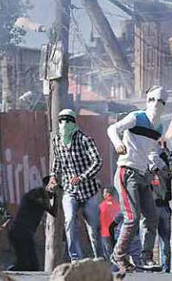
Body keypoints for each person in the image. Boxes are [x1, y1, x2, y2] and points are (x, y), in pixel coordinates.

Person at [107, 85, 168, 272]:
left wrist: (160, 166)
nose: (155, 104)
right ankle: (118, 255)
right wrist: (118, 143)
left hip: (142, 175)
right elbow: (112, 128)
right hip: (127, 172)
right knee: (132, 217)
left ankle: (145, 257)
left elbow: (150, 151)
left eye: (160, 101)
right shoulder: (136, 117)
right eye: (152, 100)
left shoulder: (159, 127)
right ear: (147, 100)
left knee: (151, 217)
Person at [49, 108, 104, 262]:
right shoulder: (56, 140)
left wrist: (82, 176)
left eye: (67, 120)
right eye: (61, 121)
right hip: (69, 190)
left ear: (74, 123)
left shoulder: (84, 139)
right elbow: (57, 161)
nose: (64, 124)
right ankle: (75, 258)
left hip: (89, 192)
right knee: (70, 220)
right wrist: (53, 176)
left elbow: (97, 161)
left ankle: (99, 258)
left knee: (93, 229)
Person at [8, 176, 58, 271]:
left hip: (27, 234)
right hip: (18, 231)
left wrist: (55, 196)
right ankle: (9, 273)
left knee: (34, 266)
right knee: (23, 264)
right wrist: (50, 194)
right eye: (52, 185)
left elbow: (54, 212)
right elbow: (37, 200)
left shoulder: (43, 198)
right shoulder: (36, 193)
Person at [149, 140, 172, 273]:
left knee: (165, 240)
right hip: (149, 207)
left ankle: (166, 268)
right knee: (148, 239)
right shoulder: (143, 162)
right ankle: (149, 266)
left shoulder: (164, 163)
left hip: (163, 205)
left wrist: (166, 151)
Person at [99, 187, 121, 260]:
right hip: (117, 233)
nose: (103, 194)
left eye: (104, 193)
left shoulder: (102, 205)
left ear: (108, 194)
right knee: (118, 252)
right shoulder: (118, 204)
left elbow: (99, 219)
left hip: (105, 233)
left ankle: (112, 269)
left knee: (109, 255)